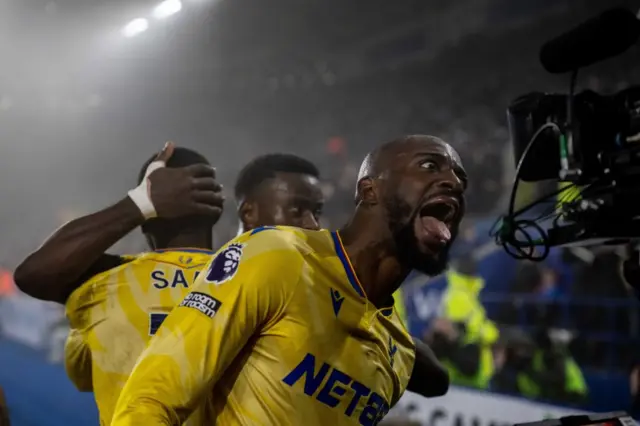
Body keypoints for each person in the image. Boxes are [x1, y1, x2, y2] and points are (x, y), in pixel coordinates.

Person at [112, 134, 467, 425]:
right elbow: (151, 398)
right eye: (429, 165)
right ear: (369, 190)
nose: (453, 183)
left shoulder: (399, 351)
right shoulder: (277, 256)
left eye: (460, 179)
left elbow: (436, 379)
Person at [13, 143, 225, 425]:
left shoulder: (104, 279)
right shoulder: (254, 275)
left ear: (145, 223)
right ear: (218, 209)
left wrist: (139, 204)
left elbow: (31, 275)